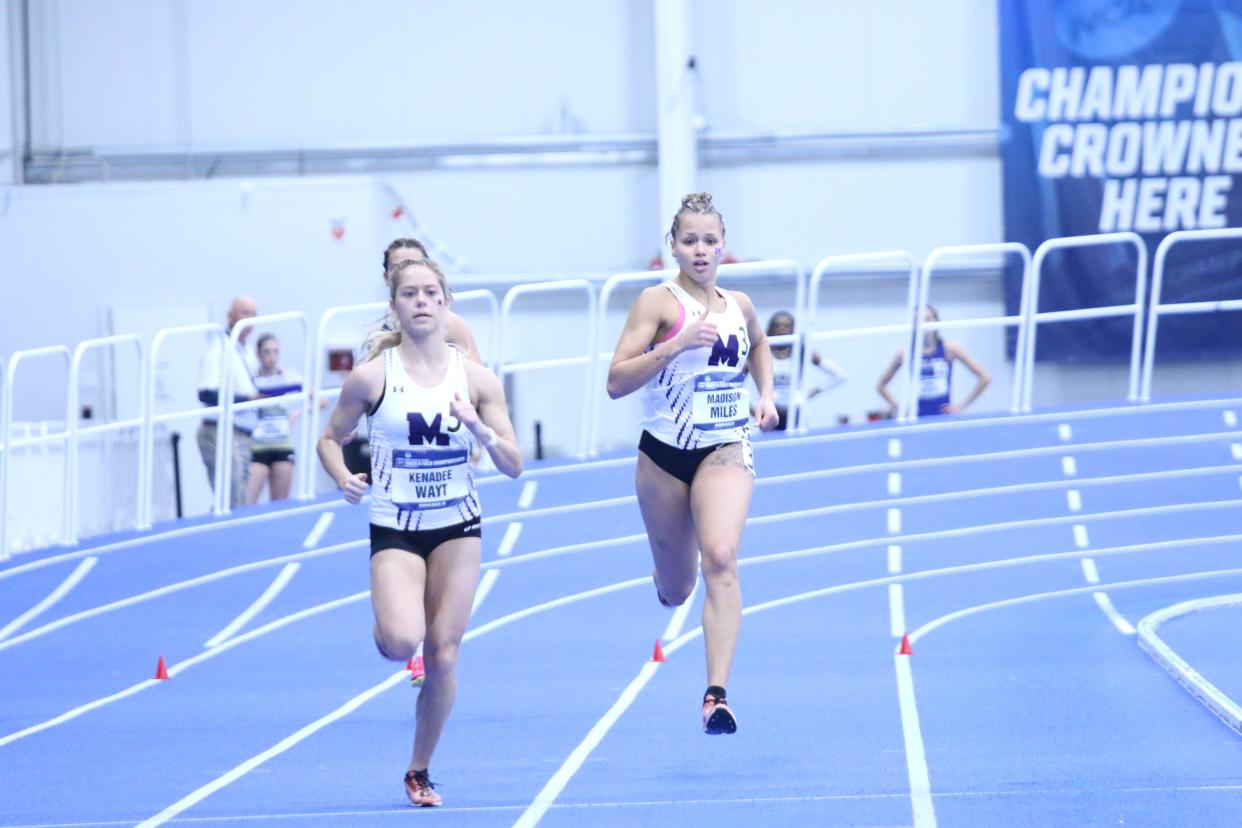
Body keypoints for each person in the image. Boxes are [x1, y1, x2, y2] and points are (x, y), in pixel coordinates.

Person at [317, 258, 522, 807]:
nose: (422, 301)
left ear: (445, 302)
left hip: (458, 525)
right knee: (403, 641)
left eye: (432, 292)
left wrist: (478, 426)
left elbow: (514, 464)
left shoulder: (477, 379)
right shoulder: (372, 377)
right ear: (395, 307)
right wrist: (342, 477)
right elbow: (329, 439)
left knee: (444, 654)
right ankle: (388, 632)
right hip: (396, 527)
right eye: (410, 294)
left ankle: (419, 769)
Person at [606, 192, 778, 735]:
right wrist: (675, 344)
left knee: (721, 557)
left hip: (726, 445)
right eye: (689, 241)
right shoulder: (657, 303)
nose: (700, 250)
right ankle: (667, 576)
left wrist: (767, 395)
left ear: (723, 246)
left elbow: (759, 347)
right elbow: (616, 381)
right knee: (679, 588)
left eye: (709, 241)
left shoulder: (739, 305)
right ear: (673, 247)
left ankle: (716, 695)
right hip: (663, 454)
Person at [197, 295, 261, 508]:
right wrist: (248, 399)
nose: (249, 318)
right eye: (244, 313)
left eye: (253, 314)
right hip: (221, 432)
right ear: (230, 316)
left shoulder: (247, 351)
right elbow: (206, 392)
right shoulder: (219, 347)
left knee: (238, 498)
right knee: (230, 498)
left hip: (242, 434)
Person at [876, 305, 991, 418]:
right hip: (917, 417)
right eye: (917, 320)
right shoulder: (905, 353)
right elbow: (881, 385)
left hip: (944, 416)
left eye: (927, 319)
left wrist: (962, 406)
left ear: (936, 321)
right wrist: (899, 407)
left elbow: (985, 377)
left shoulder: (950, 349)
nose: (922, 324)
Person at [383, 238, 483, 365]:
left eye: (413, 265)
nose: (406, 272)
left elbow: (478, 376)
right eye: (397, 268)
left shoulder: (451, 323)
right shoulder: (379, 332)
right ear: (386, 277)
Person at [763, 310, 847, 431]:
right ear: (770, 330)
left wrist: (812, 392)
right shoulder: (762, 353)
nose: (782, 329)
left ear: (793, 330)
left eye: (786, 326)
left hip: (796, 412)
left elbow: (840, 376)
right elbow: (738, 381)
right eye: (777, 326)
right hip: (772, 413)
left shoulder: (802, 352)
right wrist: (753, 410)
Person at [246, 333, 302, 504]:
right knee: (247, 502)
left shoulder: (288, 377)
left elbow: (317, 398)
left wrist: (295, 415)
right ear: (258, 354)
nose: (272, 357)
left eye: (275, 352)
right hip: (257, 446)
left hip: (282, 445)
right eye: (267, 352)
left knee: (280, 503)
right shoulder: (251, 379)